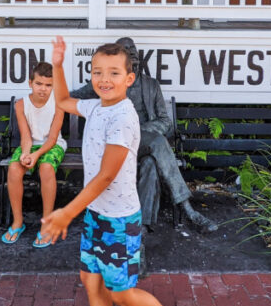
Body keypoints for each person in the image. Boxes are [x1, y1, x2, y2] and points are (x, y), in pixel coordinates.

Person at [39, 37, 192, 306]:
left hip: (119, 221)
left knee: (121, 293)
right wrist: (58, 65)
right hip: (96, 215)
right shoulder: (97, 107)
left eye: (113, 73)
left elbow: (107, 175)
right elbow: (62, 100)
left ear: (129, 78)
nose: (103, 79)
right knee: (92, 284)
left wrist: (66, 213)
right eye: (97, 72)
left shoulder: (123, 118)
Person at [72, 37, 218, 234]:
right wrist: (46, 94)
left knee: (150, 162)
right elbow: (73, 97)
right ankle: (188, 209)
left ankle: (142, 226)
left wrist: (139, 130)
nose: (133, 55)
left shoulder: (151, 85)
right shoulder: (107, 81)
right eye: (128, 52)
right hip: (116, 145)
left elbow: (166, 122)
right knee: (157, 143)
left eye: (135, 51)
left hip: (142, 141)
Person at [1, 61, 66, 248]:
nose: (43, 89)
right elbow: (26, 137)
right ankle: (17, 222)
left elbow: (53, 138)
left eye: (48, 85)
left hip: (52, 146)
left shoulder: (59, 103)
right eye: (39, 84)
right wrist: (26, 154)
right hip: (31, 145)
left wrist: (36, 157)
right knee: (14, 169)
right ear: (30, 83)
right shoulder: (21, 105)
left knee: (46, 168)